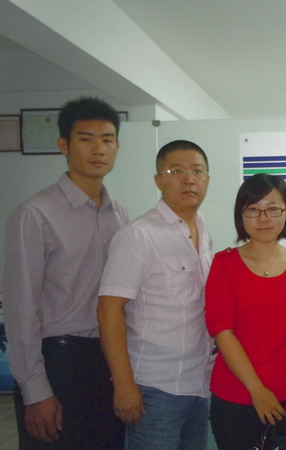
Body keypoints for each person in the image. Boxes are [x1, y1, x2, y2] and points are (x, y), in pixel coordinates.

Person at [3, 96, 128, 449]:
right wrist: (35, 390)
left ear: (117, 147)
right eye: (86, 139)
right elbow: (20, 310)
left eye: (107, 140)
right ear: (63, 145)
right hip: (59, 363)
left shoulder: (120, 214)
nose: (99, 149)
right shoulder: (34, 214)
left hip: (109, 360)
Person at [97, 140, 214, 450]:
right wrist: (124, 385)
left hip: (198, 385)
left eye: (196, 171)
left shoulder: (203, 231)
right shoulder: (139, 235)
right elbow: (108, 310)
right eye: (176, 171)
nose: (188, 179)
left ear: (207, 179)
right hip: (154, 389)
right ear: (158, 180)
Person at [205, 173, 286, 450]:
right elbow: (222, 331)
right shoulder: (224, 264)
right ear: (241, 215)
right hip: (235, 397)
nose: (263, 218)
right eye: (253, 209)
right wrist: (256, 390)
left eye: (273, 209)